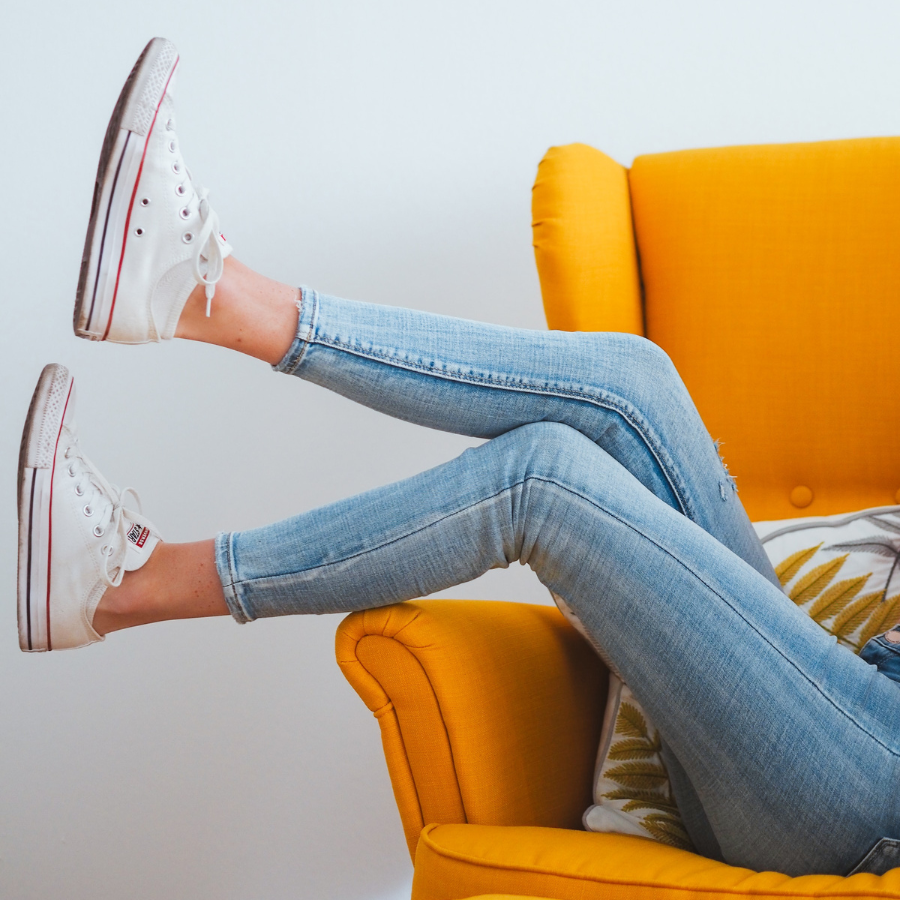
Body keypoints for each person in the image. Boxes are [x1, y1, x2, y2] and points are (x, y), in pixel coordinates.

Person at [16, 37, 900, 880]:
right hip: (844, 702)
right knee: (630, 382)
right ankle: (206, 296)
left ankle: (128, 586)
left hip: (867, 803)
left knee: (543, 481)